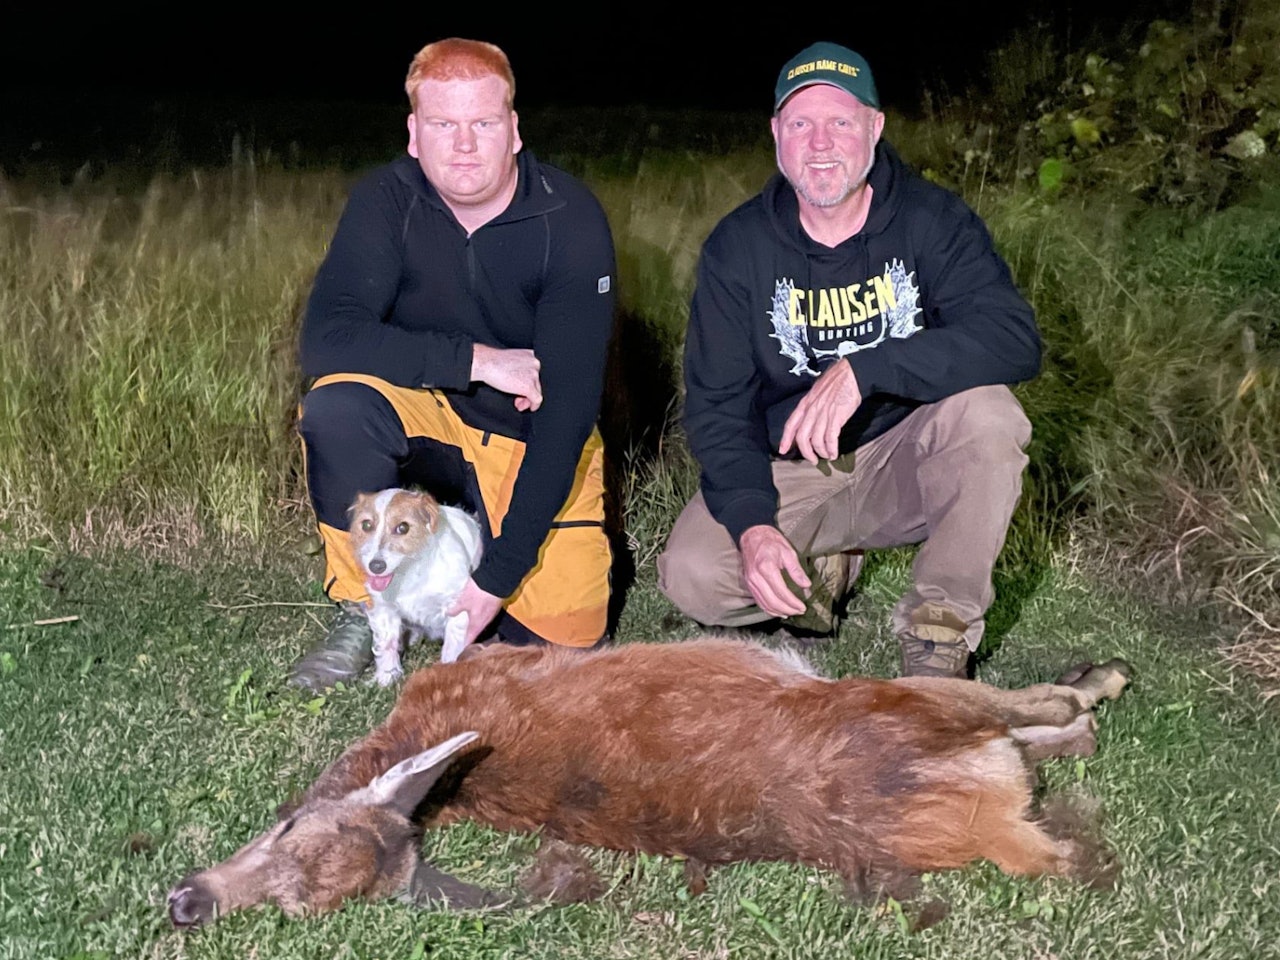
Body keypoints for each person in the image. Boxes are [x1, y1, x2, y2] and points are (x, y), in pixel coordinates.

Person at [657, 41, 1041, 679]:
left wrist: (869, 368)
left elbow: (1012, 338)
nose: (820, 143)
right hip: (797, 466)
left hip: (907, 452)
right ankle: (824, 567)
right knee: (695, 576)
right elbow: (718, 409)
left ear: (874, 127)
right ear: (777, 134)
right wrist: (752, 526)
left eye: (840, 121)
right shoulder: (737, 247)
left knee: (988, 417)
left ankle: (938, 634)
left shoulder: (932, 219)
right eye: (801, 123)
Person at [289, 38, 617, 692]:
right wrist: (475, 361)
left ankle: (485, 574)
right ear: (414, 134)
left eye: (483, 124)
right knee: (337, 407)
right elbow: (324, 339)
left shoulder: (569, 218)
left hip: (533, 437)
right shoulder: (388, 200)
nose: (464, 144)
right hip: (432, 419)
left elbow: (570, 410)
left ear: (514, 130)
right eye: (443, 124)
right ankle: (366, 607)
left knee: (560, 658)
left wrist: (497, 579)